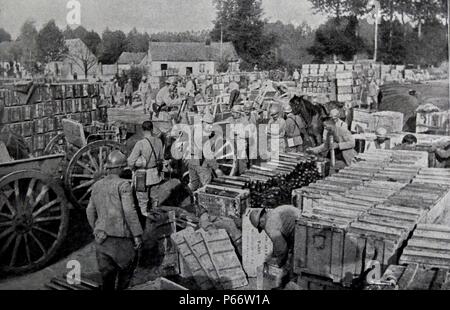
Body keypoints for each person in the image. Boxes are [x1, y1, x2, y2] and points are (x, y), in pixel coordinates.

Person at [86, 150, 143, 291]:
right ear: (118, 169)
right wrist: (137, 235)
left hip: (102, 241)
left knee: (107, 281)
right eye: (123, 168)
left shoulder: (97, 185)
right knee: (125, 276)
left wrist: (96, 228)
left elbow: (89, 211)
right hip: (120, 242)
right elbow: (129, 211)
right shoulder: (123, 185)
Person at [127, 121, 164, 217]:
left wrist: (133, 168)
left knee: (143, 200)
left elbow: (131, 161)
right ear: (152, 129)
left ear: (143, 130)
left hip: (142, 176)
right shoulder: (159, 141)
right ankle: (155, 214)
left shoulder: (140, 143)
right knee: (154, 198)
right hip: (155, 174)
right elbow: (161, 158)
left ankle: (145, 216)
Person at [180, 113, 225, 192]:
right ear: (203, 122)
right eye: (208, 124)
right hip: (199, 163)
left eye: (211, 124)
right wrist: (216, 168)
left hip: (189, 161)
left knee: (194, 183)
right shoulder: (203, 135)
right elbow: (207, 154)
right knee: (207, 184)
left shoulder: (192, 128)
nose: (210, 126)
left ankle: (189, 198)